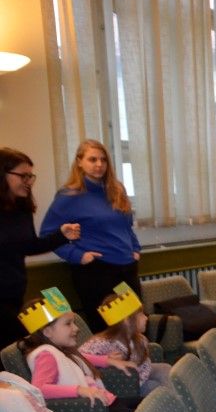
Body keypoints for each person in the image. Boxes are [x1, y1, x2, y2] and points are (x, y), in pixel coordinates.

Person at [40, 140, 141, 327]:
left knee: (136, 326)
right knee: (108, 331)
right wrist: (78, 256)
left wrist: (135, 249)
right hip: (96, 272)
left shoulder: (117, 190)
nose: (99, 164)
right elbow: (47, 234)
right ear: (79, 162)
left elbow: (126, 227)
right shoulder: (69, 195)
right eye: (92, 159)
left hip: (127, 268)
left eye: (103, 160)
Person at [19, 291, 139, 412]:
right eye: (68, 324)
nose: (76, 328)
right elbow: (40, 389)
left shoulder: (60, 351)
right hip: (102, 410)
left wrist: (108, 361)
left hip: (108, 401)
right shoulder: (46, 355)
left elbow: (81, 357)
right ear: (48, 332)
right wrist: (79, 390)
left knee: (153, 405)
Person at [0, 147, 79, 347]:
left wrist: (61, 236)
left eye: (31, 176)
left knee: (14, 348)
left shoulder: (21, 209)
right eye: (23, 176)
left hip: (14, 292)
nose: (29, 181)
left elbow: (29, 246)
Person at [81, 287, 171, 396]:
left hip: (142, 374)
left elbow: (143, 364)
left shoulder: (140, 339)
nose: (146, 318)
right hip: (128, 385)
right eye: (141, 315)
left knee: (165, 369)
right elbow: (79, 357)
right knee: (155, 387)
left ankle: (178, 400)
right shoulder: (102, 342)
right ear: (127, 321)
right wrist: (107, 360)